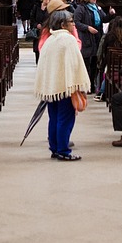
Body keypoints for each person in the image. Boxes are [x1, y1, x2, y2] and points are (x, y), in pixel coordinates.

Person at [35, 10, 91, 160]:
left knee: (54, 118)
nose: (74, 24)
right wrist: (79, 85)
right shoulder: (68, 40)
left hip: (53, 87)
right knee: (65, 119)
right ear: (62, 24)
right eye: (71, 21)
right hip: (66, 87)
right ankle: (63, 151)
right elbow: (75, 65)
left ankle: (54, 148)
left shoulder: (50, 39)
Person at [74, 0, 113, 91]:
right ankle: (86, 85)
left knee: (95, 63)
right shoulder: (81, 8)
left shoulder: (97, 7)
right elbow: (76, 23)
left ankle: (92, 84)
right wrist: (87, 28)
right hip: (86, 38)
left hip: (97, 38)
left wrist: (110, 14)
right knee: (86, 63)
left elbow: (104, 19)